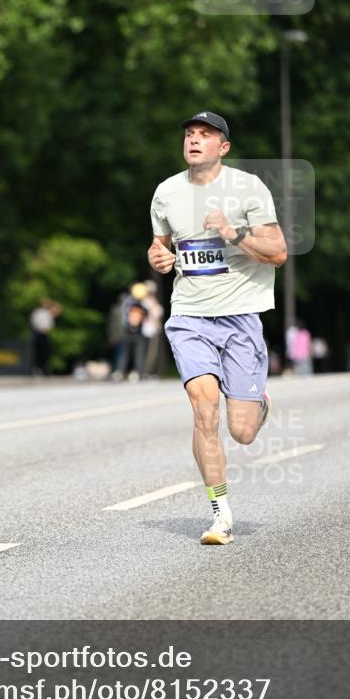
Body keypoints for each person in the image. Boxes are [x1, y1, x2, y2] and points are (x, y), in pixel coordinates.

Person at [148, 111, 287, 545]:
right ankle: (220, 514)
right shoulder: (166, 192)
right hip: (188, 316)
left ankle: (257, 404)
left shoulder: (248, 188)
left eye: (205, 135)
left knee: (241, 431)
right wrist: (158, 257)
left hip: (241, 316)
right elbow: (159, 243)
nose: (194, 140)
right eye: (189, 134)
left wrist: (234, 234)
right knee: (203, 407)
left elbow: (278, 251)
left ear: (222, 147)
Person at [29, 298, 62, 375]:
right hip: (38, 334)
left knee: (45, 353)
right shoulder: (38, 313)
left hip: (43, 335)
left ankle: (42, 369)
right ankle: (37, 369)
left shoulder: (46, 313)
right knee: (39, 353)